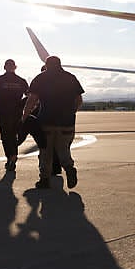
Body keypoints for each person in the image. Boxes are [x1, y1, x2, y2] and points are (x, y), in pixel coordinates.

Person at [21, 56, 84, 190]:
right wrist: (72, 112)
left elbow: (31, 100)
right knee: (63, 149)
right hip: (67, 122)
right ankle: (69, 168)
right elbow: (79, 100)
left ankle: (44, 179)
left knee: (45, 151)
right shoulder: (70, 77)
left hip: (46, 121)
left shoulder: (40, 78)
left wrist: (24, 117)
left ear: (46, 64)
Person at [0, 59, 29, 172]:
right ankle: (12, 156)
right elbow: (30, 96)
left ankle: (11, 157)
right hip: (17, 112)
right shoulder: (21, 81)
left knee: (5, 136)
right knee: (13, 135)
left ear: (4, 67)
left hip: (4, 112)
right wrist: (24, 107)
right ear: (15, 67)